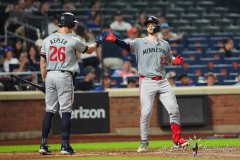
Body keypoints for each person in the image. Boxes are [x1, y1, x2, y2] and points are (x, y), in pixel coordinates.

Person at [104, 16, 189, 152]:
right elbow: (127, 45)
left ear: (157, 26)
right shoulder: (139, 42)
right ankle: (144, 141)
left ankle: (177, 140)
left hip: (162, 81)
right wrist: (115, 40)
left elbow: (169, 59)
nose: (149, 26)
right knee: (146, 112)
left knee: (174, 109)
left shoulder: (165, 44)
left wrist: (175, 61)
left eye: (152, 24)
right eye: (148, 24)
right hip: (147, 80)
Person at [39, 12, 109, 155]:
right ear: (70, 24)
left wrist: (44, 80)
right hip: (64, 75)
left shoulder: (47, 39)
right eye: (73, 23)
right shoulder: (72, 39)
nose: (74, 25)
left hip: (50, 75)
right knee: (65, 110)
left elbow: (42, 63)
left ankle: (43, 145)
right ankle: (65, 146)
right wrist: (99, 41)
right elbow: (89, 50)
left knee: (49, 110)